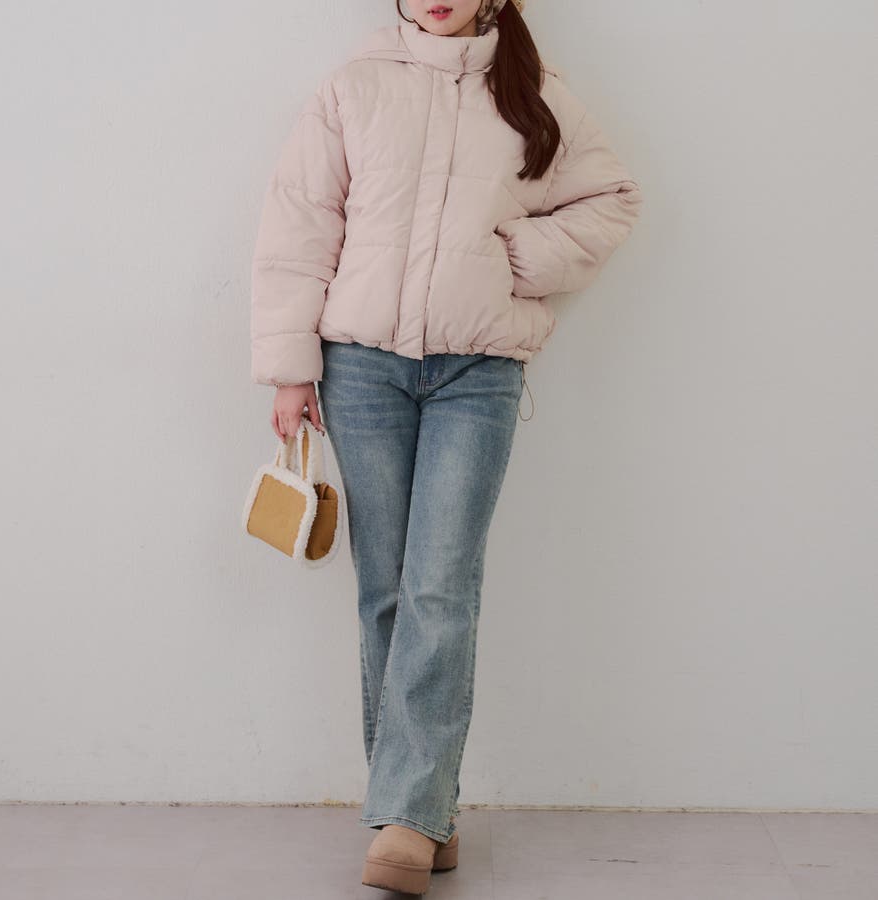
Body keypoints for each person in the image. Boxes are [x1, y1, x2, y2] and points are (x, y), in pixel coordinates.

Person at [249, 0, 642, 893]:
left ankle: (406, 817)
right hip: (362, 369)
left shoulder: (535, 93)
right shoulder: (356, 86)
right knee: (386, 590)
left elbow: (614, 197)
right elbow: (300, 222)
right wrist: (290, 369)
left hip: (479, 372)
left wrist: (520, 258)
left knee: (439, 586)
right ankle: (422, 811)